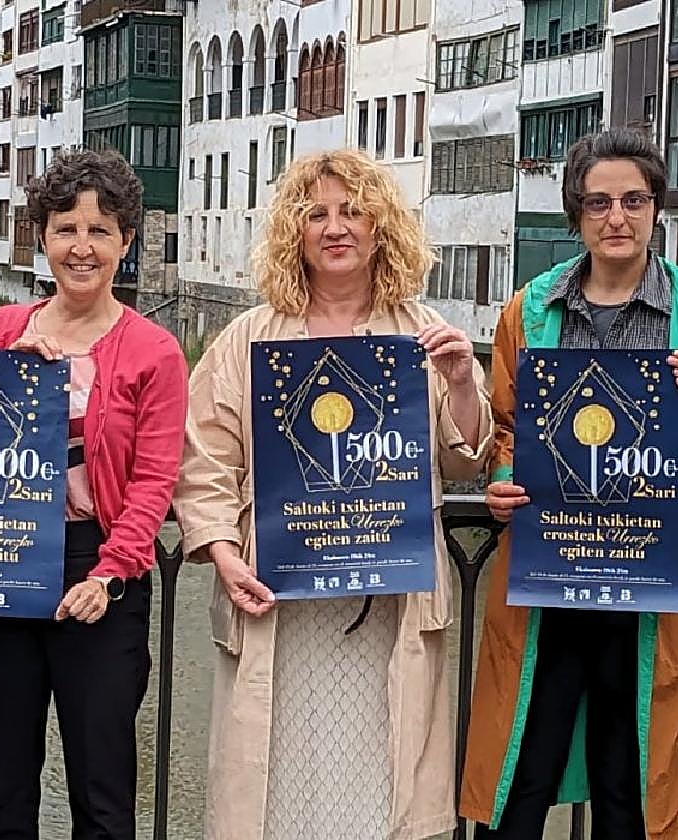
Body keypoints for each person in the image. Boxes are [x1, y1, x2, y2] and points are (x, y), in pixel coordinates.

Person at [173, 148, 493, 840]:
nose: (335, 226)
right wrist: (224, 554)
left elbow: (465, 460)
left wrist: (464, 382)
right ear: (295, 232)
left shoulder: (421, 334)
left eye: (352, 211)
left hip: (389, 612)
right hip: (281, 608)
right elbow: (203, 461)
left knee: (382, 792)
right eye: (315, 213)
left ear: (382, 227)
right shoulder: (249, 338)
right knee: (277, 790)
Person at [460, 127, 678, 839]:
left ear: (656, 206)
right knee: (523, 773)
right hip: (550, 573)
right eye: (598, 204)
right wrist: (504, 479)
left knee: (632, 780)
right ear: (576, 214)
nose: (617, 218)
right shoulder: (531, 309)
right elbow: (507, 427)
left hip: (660, 580)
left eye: (634, 200)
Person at [0, 148, 188, 839]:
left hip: (100, 571)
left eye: (100, 230)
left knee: (101, 784)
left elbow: (154, 481)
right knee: (2, 784)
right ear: (42, 236)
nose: (82, 247)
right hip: (2, 558)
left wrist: (112, 574)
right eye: (65, 228)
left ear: (126, 241)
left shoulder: (155, 351)